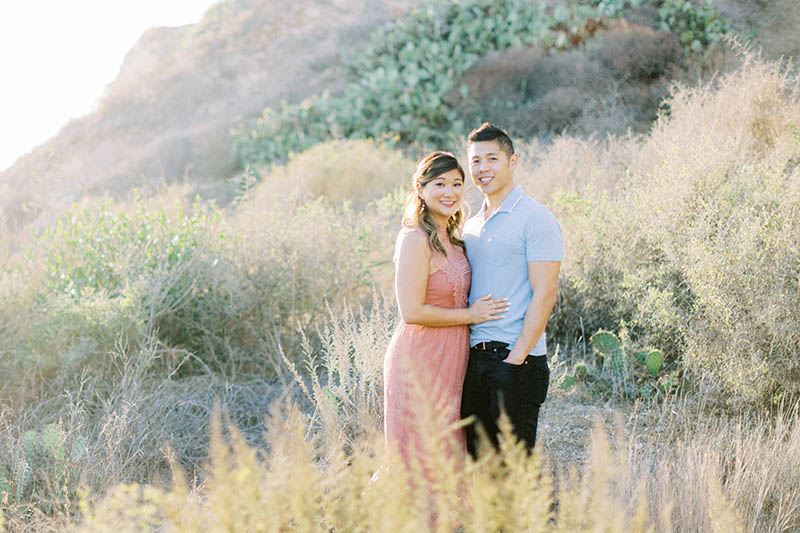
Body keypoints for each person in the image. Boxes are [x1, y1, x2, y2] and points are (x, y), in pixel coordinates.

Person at [381, 151, 510, 474]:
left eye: (456, 183)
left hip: (452, 357)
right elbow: (411, 311)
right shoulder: (414, 239)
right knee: (417, 448)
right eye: (439, 183)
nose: (450, 192)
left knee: (445, 442)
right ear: (420, 189)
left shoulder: (454, 240)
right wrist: (472, 316)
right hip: (418, 356)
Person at [460, 123, 563, 458]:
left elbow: (546, 293)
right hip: (474, 362)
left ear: (512, 161)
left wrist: (516, 357)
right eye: (476, 161)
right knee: (482, 470)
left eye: (492, 159)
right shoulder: (471, 225)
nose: (483, 168)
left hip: (516, 360)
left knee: (516, 473)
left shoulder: (536, 218)